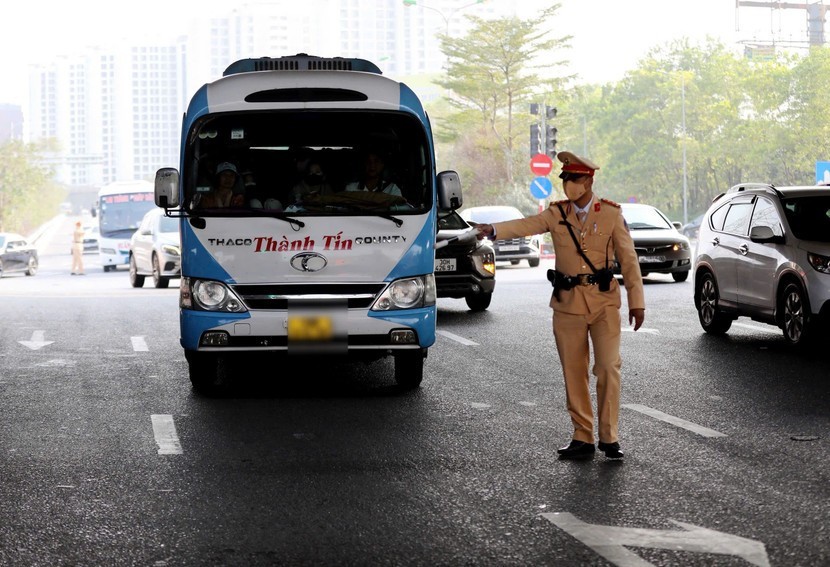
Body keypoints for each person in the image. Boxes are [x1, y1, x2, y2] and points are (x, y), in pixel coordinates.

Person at [472, 151, 645, 461]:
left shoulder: (611, 214)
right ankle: (582, 436)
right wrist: (493, 230)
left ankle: (609, 436)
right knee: (573, 371)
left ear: (589, 181)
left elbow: (629, 260)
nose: (569, 186)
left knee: (607, 367)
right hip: (567, 303)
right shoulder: (556, 213)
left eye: (575, 180)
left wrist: (637, 302)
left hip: (604, 302)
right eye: (565, 180)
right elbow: (527, 224)